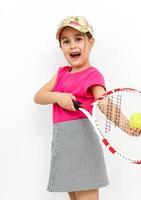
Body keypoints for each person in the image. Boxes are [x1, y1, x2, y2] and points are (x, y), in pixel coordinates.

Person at [34, 16, 109, 200]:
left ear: (90, 42)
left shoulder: (92, 75)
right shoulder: (61, 74)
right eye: (66, 41)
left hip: (83, 149)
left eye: (78, 39)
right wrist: (59, 97)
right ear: (61, 47)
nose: (72, 45)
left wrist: (129, 126)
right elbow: (39, 96)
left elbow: (105, 105)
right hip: (64, 148)